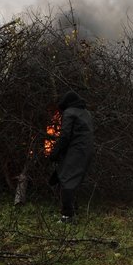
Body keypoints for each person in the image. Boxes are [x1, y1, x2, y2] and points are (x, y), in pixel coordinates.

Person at [49, 90, 95, 223]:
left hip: (76, 150)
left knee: (67, 181)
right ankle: (72, 210)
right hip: (86, 151)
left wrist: (55, 153)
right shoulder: (86, 113)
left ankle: (67, 216)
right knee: (72, 180)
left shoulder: (69, 112)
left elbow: (65, 136)